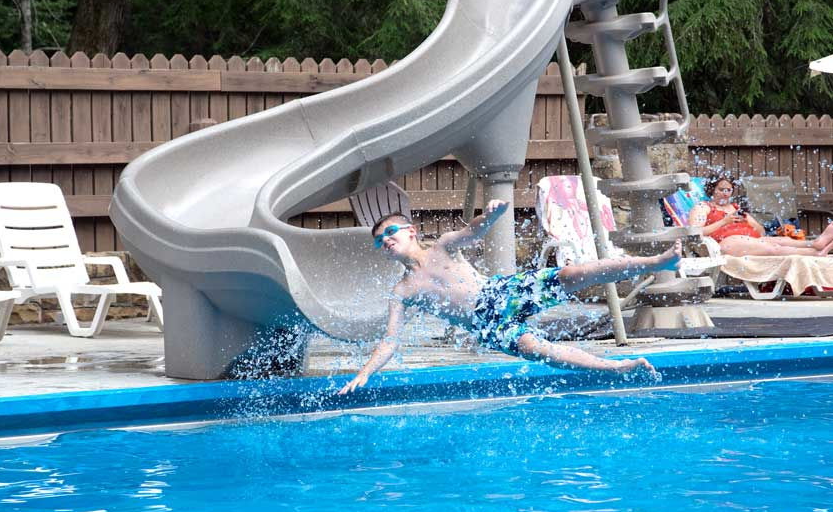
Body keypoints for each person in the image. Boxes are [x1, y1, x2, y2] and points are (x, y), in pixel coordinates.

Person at [338, 200, 681, 394]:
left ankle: (657, 261)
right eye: (379, 240)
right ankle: (616, 368)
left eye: (390, 232)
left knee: (570, 275)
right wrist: (365, 373)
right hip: (486, 326)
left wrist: (492, 215)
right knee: (537, 350)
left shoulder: (442, 247)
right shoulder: (402, 291)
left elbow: (473, 232)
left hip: (499, 295)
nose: (385, 240)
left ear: (410, 231)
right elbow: (389, 341)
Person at [688, 174, 833, 257]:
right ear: (712, 189)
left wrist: (749, 221)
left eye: (729, 190)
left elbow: (761, 232)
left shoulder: (736, 208)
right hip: (726, 242)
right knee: (773, 248)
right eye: (722, 189)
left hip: (751, 239)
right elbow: (694, 233)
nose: (726, 193)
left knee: (779, 240)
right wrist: (724, 221)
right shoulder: (703, 207)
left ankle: (816, 243)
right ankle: (814, 253)